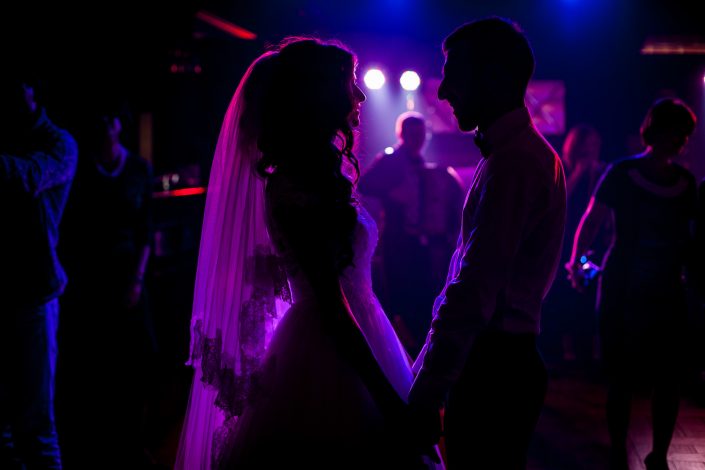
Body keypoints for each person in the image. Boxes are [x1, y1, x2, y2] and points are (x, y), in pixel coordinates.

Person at [175, 37, 442, 469]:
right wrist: (389, 403)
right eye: (349, 83)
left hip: (358, 329)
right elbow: (332, 308)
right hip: (330, 349)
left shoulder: (317, 174)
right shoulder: (296, 185)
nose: (359, 95)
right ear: (319, 95)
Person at [408, 17, 567, 469]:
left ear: (494, 78)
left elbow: (474, 288)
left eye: (454, 75)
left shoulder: (513, 163)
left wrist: (428, 388)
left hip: (493, 366)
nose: (442, 92)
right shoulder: (519, 154)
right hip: (504, 359)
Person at [567, 98, 698, 470]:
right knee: (621, 375)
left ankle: (658, 453)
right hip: (623, 287)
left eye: (685, 134)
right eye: (676, 131)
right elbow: (591, 221)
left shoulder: (685, 183)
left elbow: (692, 238)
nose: (681, 140)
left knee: (668, 376)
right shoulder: (622, 173)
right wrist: (578, 263)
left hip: (665, 288)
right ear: (655, 130)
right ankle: (618, 452)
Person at [56, 105, 155, 467]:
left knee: (138, 359)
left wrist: (137, 280)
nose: (105, 128)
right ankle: (99, 444)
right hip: (91, 276)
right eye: (98, 122)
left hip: (128, 273)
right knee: (96, 361)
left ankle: (135, 440)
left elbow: (146, 230)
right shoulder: (81, 169)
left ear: (119, 125)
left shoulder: (138, 169)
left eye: (110, 121)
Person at [0, 74, 78, 469]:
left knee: (37, 425)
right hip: (5, 290)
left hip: (35, 293)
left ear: (32, 89)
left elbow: (26, 177)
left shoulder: (59, 143)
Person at [359, 112, 465, 356]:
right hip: (397, 240)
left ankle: (414, 349)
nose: (418, 138)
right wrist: (392, 192)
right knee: (396, 293)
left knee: (419, 293)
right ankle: (395, 350)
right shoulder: (391, 160)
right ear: (402, 134)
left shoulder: (421, 164)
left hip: (418, 242)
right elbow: (365, 184)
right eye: (413, 133)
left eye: (421, 133)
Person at [542, 124, 608, 364]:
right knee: (559, 298)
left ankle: (584, 354)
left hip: (590, 244)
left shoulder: (602, 172)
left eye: (594, 145)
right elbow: (558, 201)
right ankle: (557, 353)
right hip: (561, 243)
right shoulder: (560, 169)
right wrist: (579, 172)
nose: (591, 150)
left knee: (585, 300)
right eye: (586, 145)